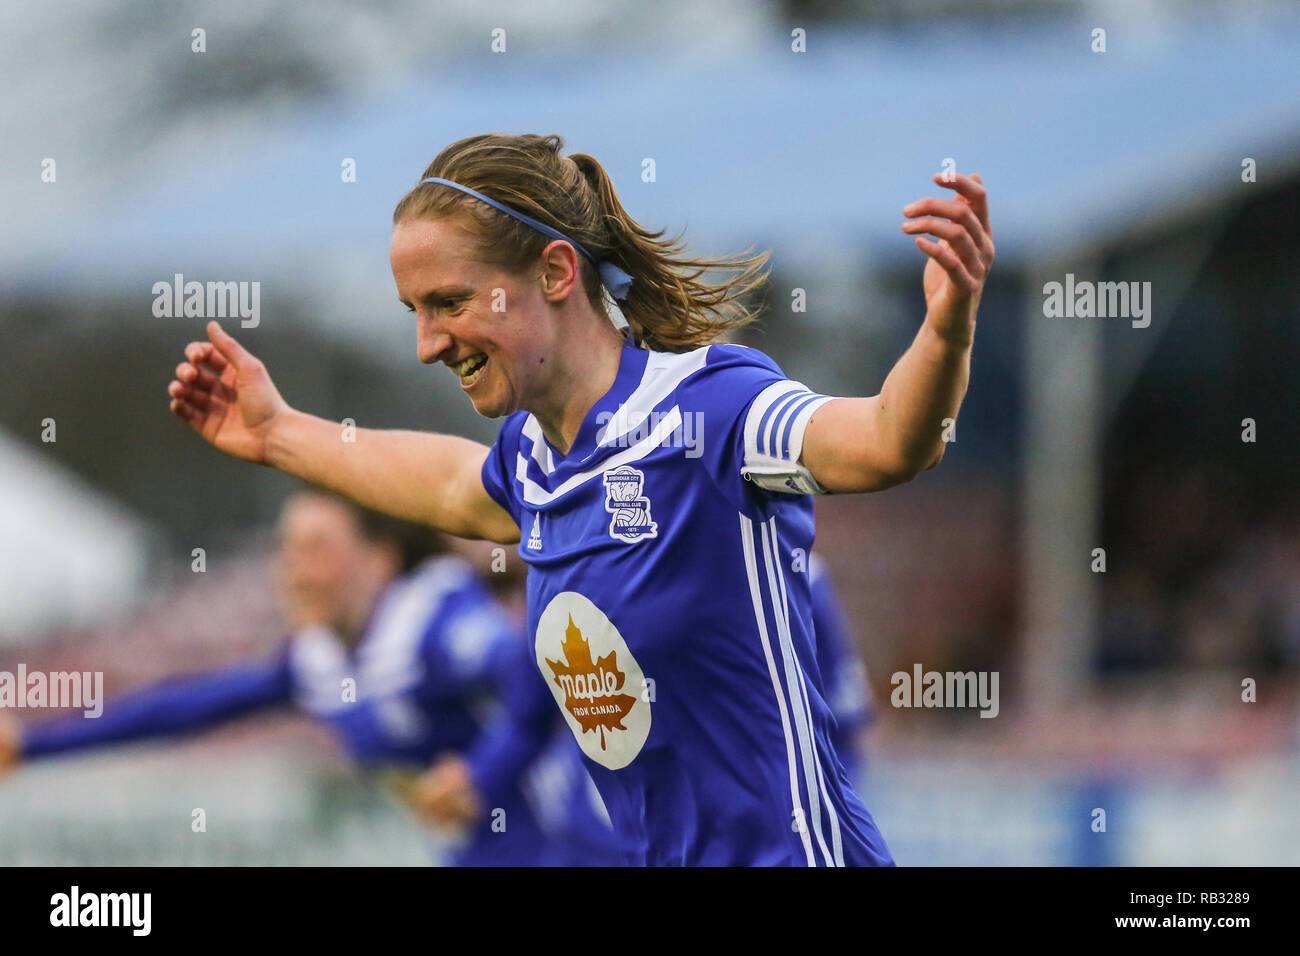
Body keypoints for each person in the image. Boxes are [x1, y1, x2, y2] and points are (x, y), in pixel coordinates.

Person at [164, 132, 993, 865]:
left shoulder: (710, 407)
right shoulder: (533, 463)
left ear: (557, 271)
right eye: (414, 312)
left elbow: (889, 441)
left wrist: (946, 328)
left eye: (450, 303)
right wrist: (277, 433)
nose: (426, 345)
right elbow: (448, 482)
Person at [0, 489, 608, 866]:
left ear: (380, 558)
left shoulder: (435, 625)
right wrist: (32, 744)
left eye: (316, 548)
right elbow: (184, 708)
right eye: (287, 550)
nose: (293, 569)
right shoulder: (318, 660)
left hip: (576, 851)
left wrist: (482, 774)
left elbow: (538, 669)